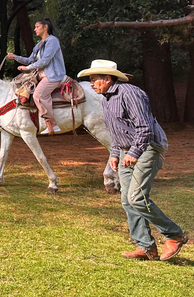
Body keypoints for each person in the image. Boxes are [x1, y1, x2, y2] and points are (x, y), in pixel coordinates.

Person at [78, 59, 188, 261]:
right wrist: (114, 153)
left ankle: (174, 235)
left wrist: (134, 153)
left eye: (94, 80)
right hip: (126, 151)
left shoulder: (130, 93)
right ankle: (146, 247)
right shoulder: (106, 99)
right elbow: (116, 131)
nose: (91, 84)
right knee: (127, 200)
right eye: (91, 80)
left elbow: (144, 127)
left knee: (136, 197)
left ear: (108, 79)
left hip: (147, 147)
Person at [6, 19, 66, 134]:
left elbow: (45, 61)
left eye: (37, 26)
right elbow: (29, 60)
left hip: (52, 75)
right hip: (41, 75)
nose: (35, 29)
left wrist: (27, 69)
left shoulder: (52, 41)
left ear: (45, 27)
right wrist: (14, 57)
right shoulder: (39, 45)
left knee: (38, 95)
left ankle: (53, 124)